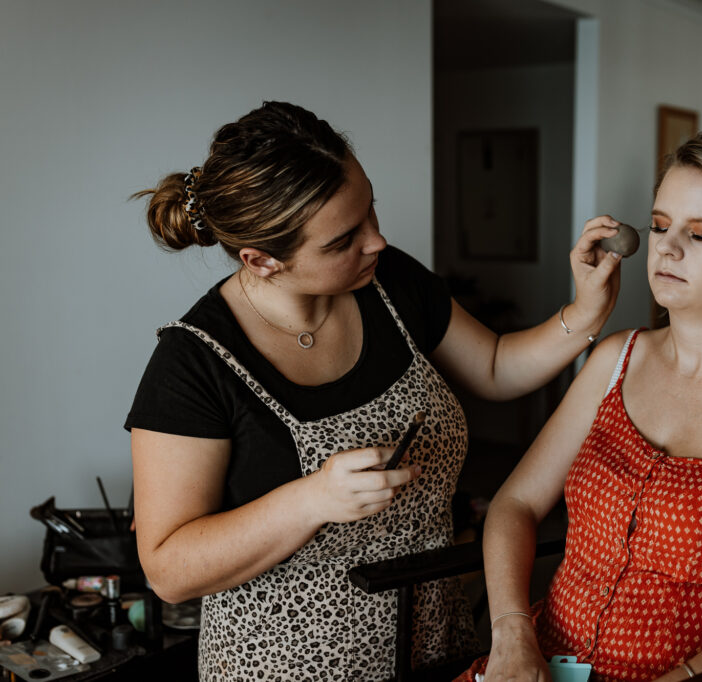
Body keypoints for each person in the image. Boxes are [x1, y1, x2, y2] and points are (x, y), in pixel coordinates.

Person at [125, 101, 624, 681]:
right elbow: (167, 567)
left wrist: (586, 312)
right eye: (342, 241)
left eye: (371, 212)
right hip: (284, 667)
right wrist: (311, 500)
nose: (377, 242)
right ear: (261, 260)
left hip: (433, 637)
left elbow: (494, 366)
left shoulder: (389, 283)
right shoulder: (192, 362)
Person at [460, 128, 702, 682]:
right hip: (541, 662)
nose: (666, 248)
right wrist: (514, 637)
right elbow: (514, 503)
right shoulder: (616, 358)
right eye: (661, 225)